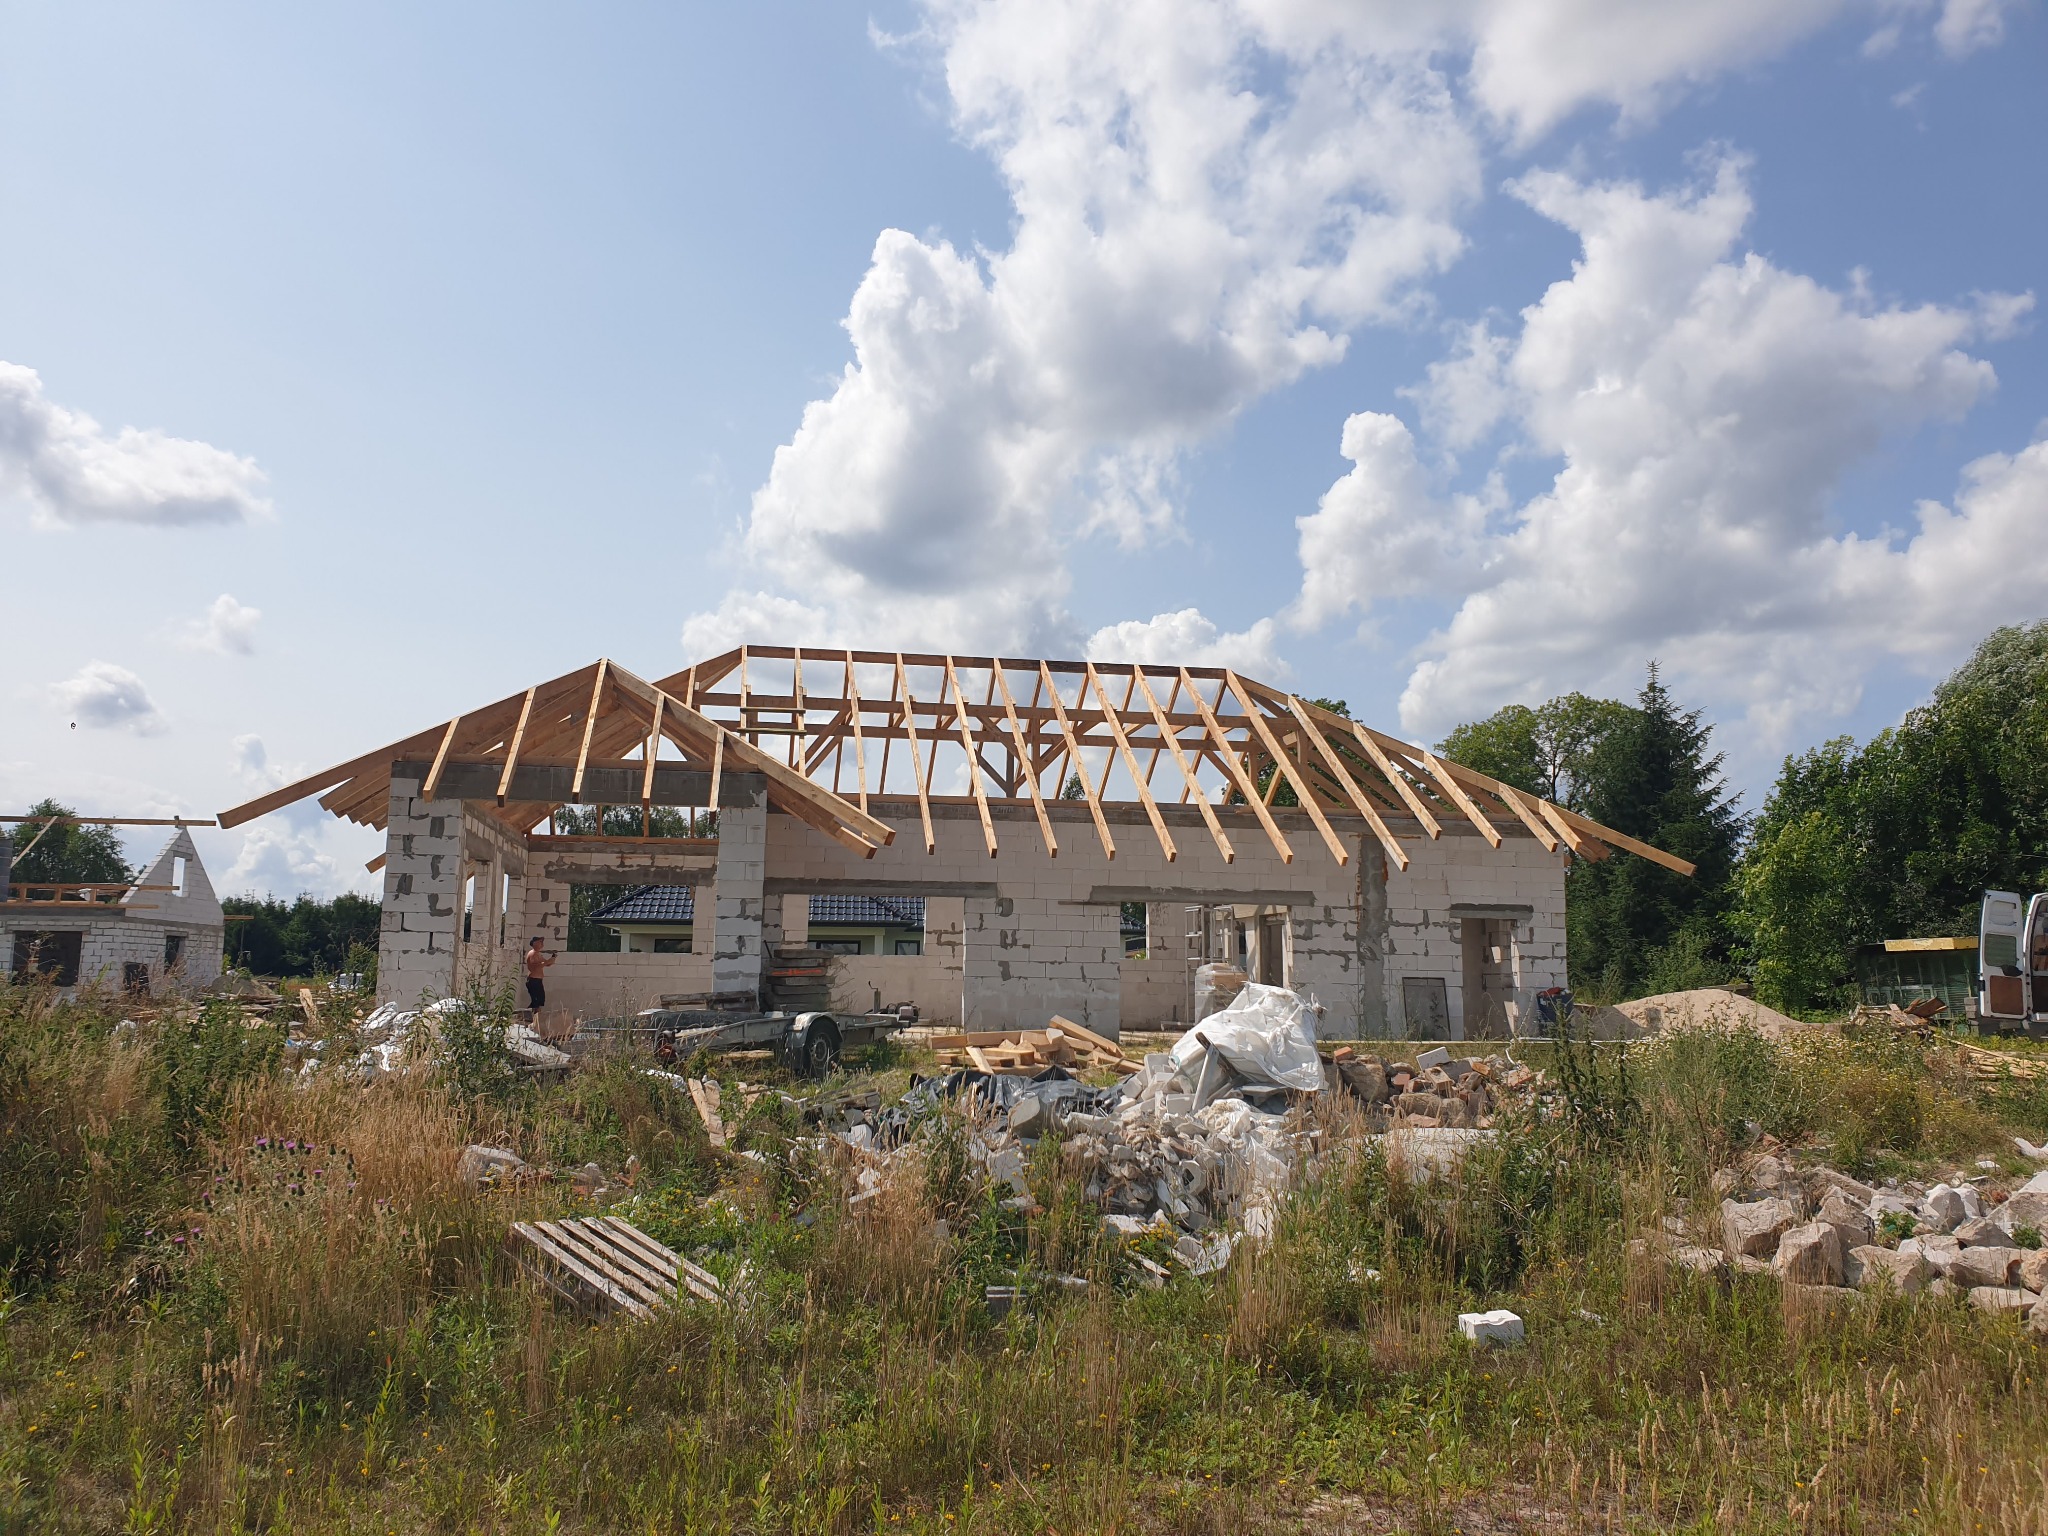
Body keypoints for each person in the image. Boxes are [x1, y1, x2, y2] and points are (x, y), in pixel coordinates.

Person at [524, 937, 556, 1014]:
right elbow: (535, 966)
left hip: (538, 980)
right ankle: (526, 1015)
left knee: (540, 1000)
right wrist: (547, 962)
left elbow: (546, 963)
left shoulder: (538, 954)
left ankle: (534, 1016)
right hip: (533, 980)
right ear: (534, 943)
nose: (542, 943)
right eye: (540, 941)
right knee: (536, 1002)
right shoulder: (532, 953)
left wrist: (552, 959)